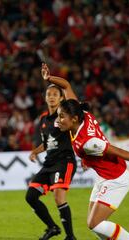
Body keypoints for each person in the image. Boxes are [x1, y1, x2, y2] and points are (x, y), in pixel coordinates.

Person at [46, 64, 129, 239]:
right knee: (95, 226)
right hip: (103, 176)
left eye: (61, 117)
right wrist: (49, 78)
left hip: (116, 178)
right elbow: (66, 86)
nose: (57, 121)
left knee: (94, 223)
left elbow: (120, 152)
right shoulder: (80, 113)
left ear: (74, 119)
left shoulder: (89, 142)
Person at [26, 64, 77, 240]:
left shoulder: (66, 115)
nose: (52, 97)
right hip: (49, 163)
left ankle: (70, 237)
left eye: (55, 94)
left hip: (64, 161)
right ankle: (52, 227)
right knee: (31, 196)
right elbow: (47, 143)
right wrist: (35, 151)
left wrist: (85, 156)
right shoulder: (43, 119)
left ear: (61, 98)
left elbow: (76, 134)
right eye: (49, 94)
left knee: (58, 196)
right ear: (45, 98)